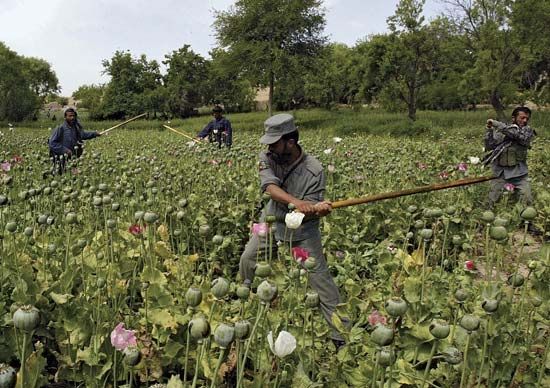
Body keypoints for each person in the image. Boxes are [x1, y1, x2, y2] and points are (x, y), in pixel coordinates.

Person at [239, 113, 349, 348]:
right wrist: (297, 202)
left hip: (302, 231)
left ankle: (341, 335)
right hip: (269, 221)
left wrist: (317, 210)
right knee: (248, 258)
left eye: (274, 142)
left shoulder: (314, 170)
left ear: (290, 142)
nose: (269, 147)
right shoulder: (266, 157)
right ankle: (244, 298)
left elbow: (307, 211)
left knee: (321, 282)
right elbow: (269, 188)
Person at [484, 106, 536, 208]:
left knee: (528, 201)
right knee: (490, 202)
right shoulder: (502, 131)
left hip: (519, 175)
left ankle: (527, 223)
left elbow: (516, 135)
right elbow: (490, 146)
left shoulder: (527, 132)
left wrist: (497, 124)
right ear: (513, 118)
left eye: (527, 118)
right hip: (501, 173)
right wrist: (489, 130)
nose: (525, 120)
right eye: (522, 118)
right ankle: (484, 222)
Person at [48, 107, 101, 174]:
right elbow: (52, 143)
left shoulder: (75, 128)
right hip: (61, 158)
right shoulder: (60, 128)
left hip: (72, 158)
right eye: (70, 116)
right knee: (60, 174)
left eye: (73, 116)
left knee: (73, 176)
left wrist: (95, 134)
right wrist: (65, 150)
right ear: (65, 117)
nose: (72, 118)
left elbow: (83, 135)